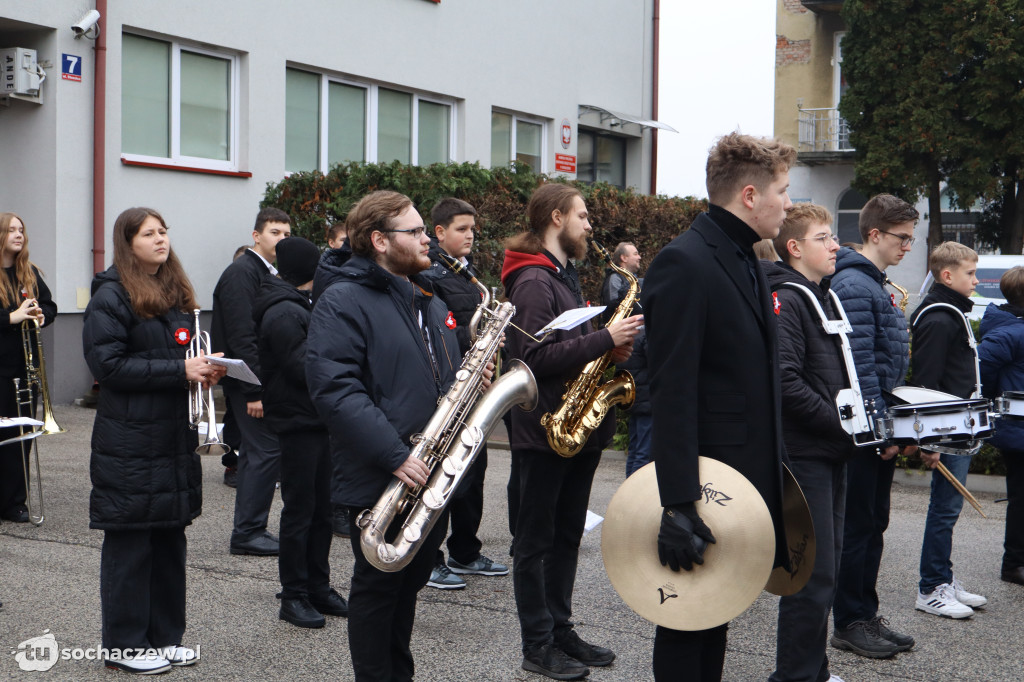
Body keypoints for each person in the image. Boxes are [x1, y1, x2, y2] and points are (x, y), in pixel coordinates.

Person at [641, 132, 793, 682]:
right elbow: (673, 391)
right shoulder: (685, 261)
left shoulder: (744, 256)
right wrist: (678, 504)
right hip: (703, 488)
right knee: (688, 622)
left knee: (717, 616)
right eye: (782, 190)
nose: (789, 202)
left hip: (740, 483)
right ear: (750, 195)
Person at [306, 190, 474, 681]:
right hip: (388, 471)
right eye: (416, 231)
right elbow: (335, 388)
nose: (428, 239)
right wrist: (394, 454)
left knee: (407, 586)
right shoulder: (343, 299)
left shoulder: (424, 295)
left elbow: (431, 376)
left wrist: (467, 378)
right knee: (379, 590)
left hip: (428, 470)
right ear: (379, 240)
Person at [502, 182, 642, 681]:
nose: (589, 225)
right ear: (557, 218)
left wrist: (607, 350)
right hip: (544, 430)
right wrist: (605, 335)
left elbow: (569, 344)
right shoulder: (533, 282)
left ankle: (560, 630)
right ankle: (537, 644)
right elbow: (532, 359)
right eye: (582, 216)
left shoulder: (562, 275)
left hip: (572, 427)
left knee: (564, 537)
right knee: (535, 542)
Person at [83, 207, 226, 674]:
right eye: (149, 233)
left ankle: (165, 639)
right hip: (128, 440)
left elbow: (177, 355)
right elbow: (108, 366)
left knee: (169, 542)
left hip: (169, 436)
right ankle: (123, 646)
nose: (161, 239)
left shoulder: (174, 293)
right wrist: (178, 370)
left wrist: (203, 368)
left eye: (164, 231)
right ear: (129, 242)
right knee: (130, 545)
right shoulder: (110, 295)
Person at [765, 203, 852, 682]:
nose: (836, 245)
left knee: (827, 573)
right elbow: (785, 381)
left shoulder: (821, 295)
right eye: (824, 238)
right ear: (795, 248)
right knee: (811, 577)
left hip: (829, 449)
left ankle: (812, 670)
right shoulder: (788, 297)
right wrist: (841, 426)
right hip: (806, 453)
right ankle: (794, 676)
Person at [829, 194, 918, 659]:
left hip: (875, 426)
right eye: (902, 238)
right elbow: (858, 368)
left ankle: (864, 613)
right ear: (875, 234)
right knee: (859, 527)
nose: (908, 246)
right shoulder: (855, 285)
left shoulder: (871, 284)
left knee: (872, 523)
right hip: (863, 432)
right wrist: (880, 430)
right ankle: (849, 621)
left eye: (911, 238)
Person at [254, 236, 348, 628]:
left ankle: (318, 586)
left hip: (315, 419)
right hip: (297, 421)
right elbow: (302, 366)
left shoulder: (298, 305)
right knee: (300, 511)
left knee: (321, 510)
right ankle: (293, 594)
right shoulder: (283, 312)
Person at [421, 197, 509, 591]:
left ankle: (465, 551)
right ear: (439, 233)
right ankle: (431, 559)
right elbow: (437, 331)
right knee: (442, 476)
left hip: (474, 389)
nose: (470, 235)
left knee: (473, 472)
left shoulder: (466, 274)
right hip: (449, 390)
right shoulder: (431, 275)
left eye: (473, 229)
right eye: (461, 229)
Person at [909, 241, 988, 619]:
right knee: (944, 508)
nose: (975, 281)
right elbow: (925, 382)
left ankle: (943, 576)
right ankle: (931, 587)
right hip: (946, 429)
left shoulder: (951, 312)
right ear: (947, 275)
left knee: (949, 507)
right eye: (970, 274)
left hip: (958, 426)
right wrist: (931, 439)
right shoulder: (940, 317)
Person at [212, 208, 292, 556]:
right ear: (256, 236)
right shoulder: (243, 272)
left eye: (287, 234)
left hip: (262, 381)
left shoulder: (270, 273)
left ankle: (251, 529)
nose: (282, 239)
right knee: (263, 452)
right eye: (275, 232)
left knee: (263, 452)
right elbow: (242, 336)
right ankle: (247, 533)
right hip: (249, 383)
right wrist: (254, 391)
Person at [0, 212, 57, 523]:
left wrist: (39, 314)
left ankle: (15, 502)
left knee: (22, 437)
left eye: (21, 230)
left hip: (25, 370)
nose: (18, 235)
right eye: (11, 230)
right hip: (0, 369)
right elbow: (10, 316)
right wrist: (12, 317)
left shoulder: (29, 273)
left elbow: (50, 306)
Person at [979, 266, 1024, 587]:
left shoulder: (1008, 329)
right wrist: (994, 401)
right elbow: (982, 370)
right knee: (1021, 498)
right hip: (1018, 429)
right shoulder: (1011, 332)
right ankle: (1014, 564)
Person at [221, 244, 250, 489]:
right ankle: (232, 463)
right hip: (233, 366)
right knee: (234, 417)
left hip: (244, 366)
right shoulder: (233, 284)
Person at [599, 241, 641, 323]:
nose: (639, 257)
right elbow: (613, 306)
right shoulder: (614, 278)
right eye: (635, 254)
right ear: (624, 258)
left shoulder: (633, 278)